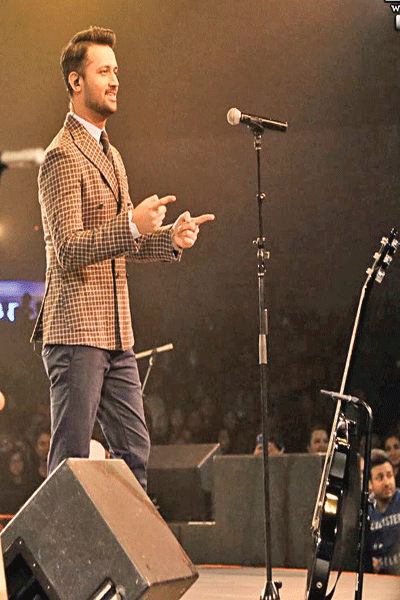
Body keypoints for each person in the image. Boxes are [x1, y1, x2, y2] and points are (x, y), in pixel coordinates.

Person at [30, 26, 214, 491]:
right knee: (71, 458)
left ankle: (124, 541)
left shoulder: (112, 156)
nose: (115, 81)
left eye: (116, 71)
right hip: (76, 332)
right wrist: (131, 223)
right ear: (76, 81)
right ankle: (64, 541)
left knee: (135, 451)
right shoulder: (61, 157)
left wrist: (170, 238)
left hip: (117, 333)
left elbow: (126, 242)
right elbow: (69, 248)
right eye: (103, 71)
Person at [368, 449, 400, 574]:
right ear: (370, 484)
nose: (387, 482)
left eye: (389, 475)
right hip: (377, 579)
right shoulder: (365, 510)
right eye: (380, 478)